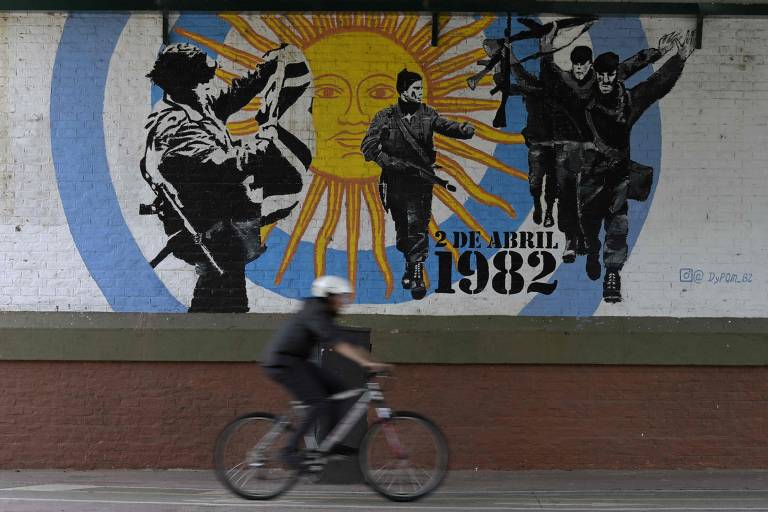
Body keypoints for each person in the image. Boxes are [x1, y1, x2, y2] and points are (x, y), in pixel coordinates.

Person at [142, 43, 309, 312]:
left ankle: (221, 332)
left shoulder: (194, 101)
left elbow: (233, 94)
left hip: (221, 218)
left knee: (228, 286)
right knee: (221, 283)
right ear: (185, 81)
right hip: (202, 225)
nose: (208, 85)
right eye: (203, 78)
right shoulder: (173, 124)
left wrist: (265, 72)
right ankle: (208, 338)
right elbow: (219, 167)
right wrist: (265, 142)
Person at [541, 27, 678, 264]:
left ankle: (598, 252)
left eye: (586, 65)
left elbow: (630, 68)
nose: (583, 70)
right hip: (573, 152)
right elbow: (551, 75)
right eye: (578, 65)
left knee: (608, 209)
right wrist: (545, 49)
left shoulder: (608, 85)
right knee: (570, 198)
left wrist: (657, 52)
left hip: (599, 158)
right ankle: (574, 240)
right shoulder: (571, 84)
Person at [579, 31, 695, 302]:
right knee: (588, 226)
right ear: (595, 74)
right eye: (602, 74)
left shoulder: (628, 101)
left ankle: (612, 272)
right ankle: (593, 252)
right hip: (589, 178)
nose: (606, 79)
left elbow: (655, 85)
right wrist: (653, 53)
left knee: (618, 226)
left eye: (611, 74)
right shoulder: (583, 99)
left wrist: (679, 59)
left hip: (618, 176)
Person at [361, 69, 475, 299]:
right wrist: (391, 163)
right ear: (403, 91)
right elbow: (368, 146)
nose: (420, 92)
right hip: (394, 180)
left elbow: (444, 125)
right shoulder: (385, 116)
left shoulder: (427, 114)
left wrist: (463, 130)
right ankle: (409, 264)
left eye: (421, 88)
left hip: (421, 180)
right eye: (415, 89)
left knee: (418, 224)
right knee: (403, 226)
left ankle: (416, 273)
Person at [262, 275, 391, 467]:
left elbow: (347, 340)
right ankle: (289, 451)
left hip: (297, 361)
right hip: (282, 362)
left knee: (338, 388)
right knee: (318, 403)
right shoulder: (314, 311)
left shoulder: (324, 314)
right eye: (341, 297)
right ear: (328, 296)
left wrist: (375, 361)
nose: (343, 302)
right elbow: (337, 343)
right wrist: (366, 363)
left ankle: (330, 444)